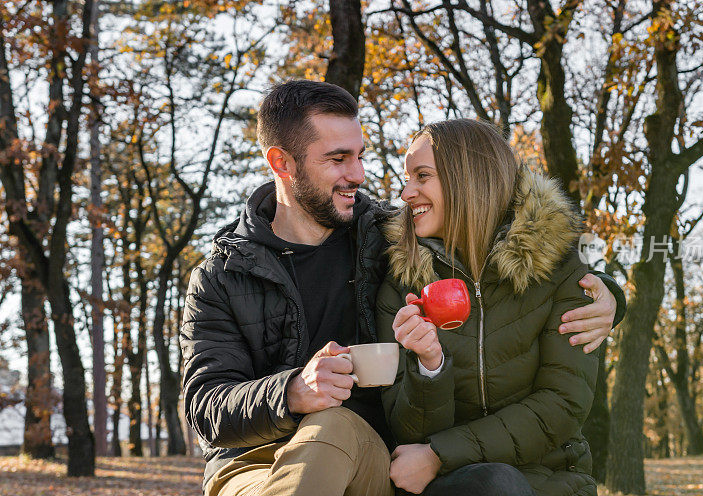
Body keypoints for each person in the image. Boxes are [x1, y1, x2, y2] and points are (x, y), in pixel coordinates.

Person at [180, 81, 624, 496]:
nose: (358, 174)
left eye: (360, 155)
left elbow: (488, 242)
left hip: (362, 446)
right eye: (338, 159)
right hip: (255, 462)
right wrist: (293, 391)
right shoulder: (220, 277)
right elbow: (204, 406)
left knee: (332, 425)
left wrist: (606, 293)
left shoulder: (387, 239)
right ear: (282, 163)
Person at [376, 119, 611, 496]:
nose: (406, 193)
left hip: (553, 480)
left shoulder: (561, 268)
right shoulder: (401, 284)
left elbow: (562, 404)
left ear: (469, 178)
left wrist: (441, 454)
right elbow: (408, 433)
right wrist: (429, 366)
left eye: (422, 176)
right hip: (452, 486)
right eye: (408, 178)